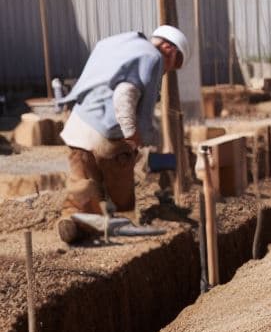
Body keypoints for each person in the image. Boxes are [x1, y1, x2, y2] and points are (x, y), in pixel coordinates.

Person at [56, 25, 189, 245]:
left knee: (82, 181)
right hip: (106, 134)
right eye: (172, 66)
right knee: (120, 175)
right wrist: (133, 134)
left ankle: (72, 219)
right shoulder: (151, 56)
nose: (167, 71)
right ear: (169, 49)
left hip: (77, 127)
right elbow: (124, 95)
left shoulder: (118, 45)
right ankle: (122, 221)